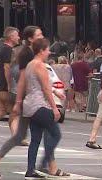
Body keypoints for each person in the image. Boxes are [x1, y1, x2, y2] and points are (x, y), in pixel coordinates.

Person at [0, 26, 66, 179]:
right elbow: (24, 80)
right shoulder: (28, 54)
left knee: (25, 136)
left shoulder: (31, 54)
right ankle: (46, 166)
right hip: (30, 99)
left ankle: (43, 168)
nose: (41, 36)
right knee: (47, 131)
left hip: (28, 99)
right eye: (38, 35)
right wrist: (19, 101)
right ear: (31, 39)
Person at [23, 38, 64, 178]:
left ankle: (30, 170)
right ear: (41, 51)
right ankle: (43, 162)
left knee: (35, 139)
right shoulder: (40, 66)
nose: (49, 52)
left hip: (29, 106)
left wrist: (55, 91)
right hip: (40, 105)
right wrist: (54, 108)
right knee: (56, 134)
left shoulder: (29, 65)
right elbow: (46, 88)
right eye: (47, 49)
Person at [0, 27, 20, 136]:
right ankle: (17, 137)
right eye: (17, 35)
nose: (19, 37)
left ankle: (16, 136)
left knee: (2, 111)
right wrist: (9, 85)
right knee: (14, 112)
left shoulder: (1, 48)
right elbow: (6, 68)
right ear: (11, 37)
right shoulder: (8, 50)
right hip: (4, 87)